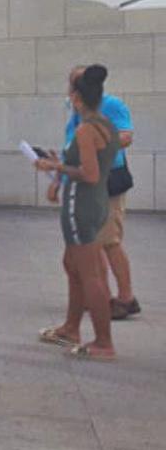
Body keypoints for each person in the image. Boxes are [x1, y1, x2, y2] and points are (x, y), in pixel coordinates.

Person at [36, 65, 120, 361]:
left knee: (90, 274)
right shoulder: (107, 125)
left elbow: (89, 173)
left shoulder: (85, 130)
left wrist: (55, 167)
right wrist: (61, 163)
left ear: (77, 98)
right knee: (73, 265)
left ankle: (103, 342)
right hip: (95, 205)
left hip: (81, 207)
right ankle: (71, 328)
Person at [49, 65, 139, 320]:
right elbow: (70, 148)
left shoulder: (111, 106)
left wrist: (96, 145)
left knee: (109, 241)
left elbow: (126, 136)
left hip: (108, 180)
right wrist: (58, 178)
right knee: (91, 244)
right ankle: (99, 294)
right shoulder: (77, 114)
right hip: (85, 185)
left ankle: (125, 297)